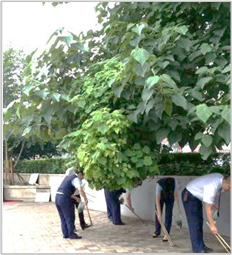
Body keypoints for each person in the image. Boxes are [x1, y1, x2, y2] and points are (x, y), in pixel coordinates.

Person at [182, 173, 230, 253]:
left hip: (195, 196)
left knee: (199, 222)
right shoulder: (213, 185)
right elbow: (207, 208)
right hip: (189, 195)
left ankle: (201, 246)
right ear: (225, 182)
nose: (229, 190)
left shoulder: (220, 179)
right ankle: (198, 249)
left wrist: (212, 204)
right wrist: (212, 226)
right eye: (229, 187)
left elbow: (207, 196)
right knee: (194, 223)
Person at [55, 168, 88, 239]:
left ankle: (65, 234)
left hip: (58, 197)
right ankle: (71, 234)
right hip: (65, 199)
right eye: (82, 177)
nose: (82, 180)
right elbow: (80, 189)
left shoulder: (68, 178)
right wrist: (85, 198)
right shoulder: (76, 179)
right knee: (70, 216)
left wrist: (76, 198)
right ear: (80, 174)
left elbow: (67, 191)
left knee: (63, 217)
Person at [153, 177, 181, 241]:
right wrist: (159, 215)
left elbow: (176, 194)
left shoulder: (175, 182)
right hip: (160, 198)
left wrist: (178, 207)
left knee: (169, 215)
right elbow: (157, 200)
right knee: (158, 215)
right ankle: (157, 231)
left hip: (170, 197)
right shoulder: (159, 184)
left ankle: (166, 234)